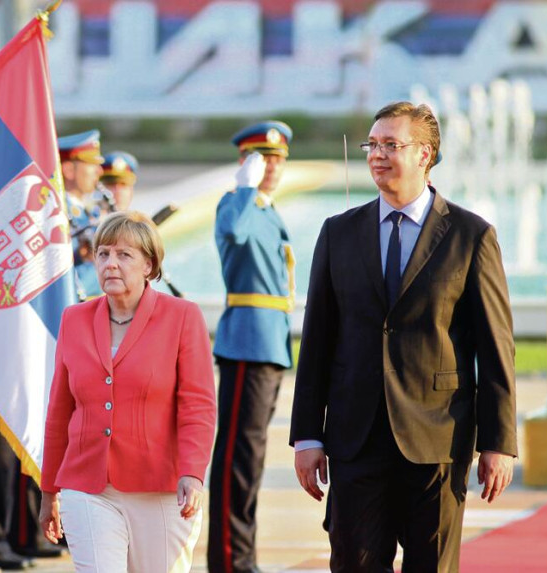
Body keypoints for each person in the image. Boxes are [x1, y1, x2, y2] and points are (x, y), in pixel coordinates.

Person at [290, 102, 518, 572]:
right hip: (355, 438)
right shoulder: (338, 233)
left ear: (425, 154)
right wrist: (307, 434)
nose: (377, 155)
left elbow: (497, 348)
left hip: (437, 439)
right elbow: (316, 342)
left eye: (391, 145)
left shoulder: (471, 235)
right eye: (372, 145)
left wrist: (498, 441)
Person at [39, 211, 216, 572]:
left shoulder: (183, 317)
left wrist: (193, 472)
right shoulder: (74, 319)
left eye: (124, 255)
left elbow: (197, 405)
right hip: (87, 488)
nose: (111, 264)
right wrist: (48, 492)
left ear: (149, 265)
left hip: (163, 489)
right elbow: (59, 410)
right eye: (103, 254)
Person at [207, 121, 295, 573]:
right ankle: (228, 558)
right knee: (238, 454)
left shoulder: (268, 210)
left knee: (253, 455)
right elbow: (235, 235)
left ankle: (243, 555)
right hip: (246, 340)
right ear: (246, 162)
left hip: (270, 343)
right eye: (264, 159)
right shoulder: (235, 205)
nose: (273, 167)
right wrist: (243, 187)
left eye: (278, 159)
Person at [58, 130, 105, 299]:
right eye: (92, 164)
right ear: (69, 170)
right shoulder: (57, 212)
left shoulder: (87, 209)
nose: (99, 171)